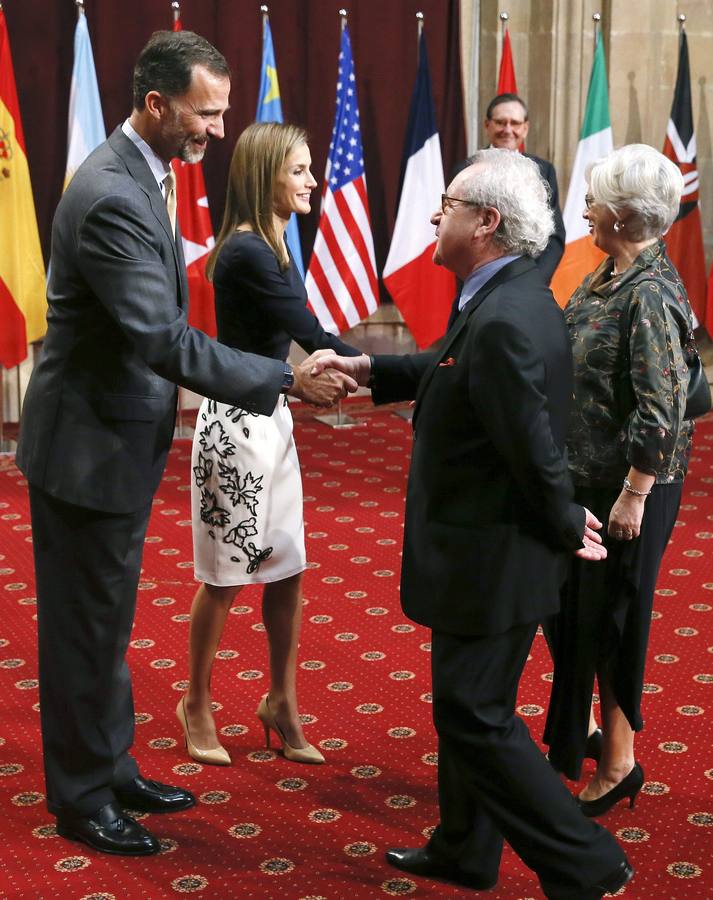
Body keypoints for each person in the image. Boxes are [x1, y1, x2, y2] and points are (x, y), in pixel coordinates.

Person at [15, 31, 354, 858]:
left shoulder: (143, 174)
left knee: (108, 619)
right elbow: (161, 339)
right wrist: (283, 379)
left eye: (222, 112)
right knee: (84, 628)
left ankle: (111, 765)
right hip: (86, 450)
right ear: (156, 103)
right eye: (205, 113)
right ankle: (81, 799)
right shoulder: (112, 194)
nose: (217, 129)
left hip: (113, 442)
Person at [313, 148, 633, 899]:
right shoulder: (505, 295)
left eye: (448, 205)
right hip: (483, 552)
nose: (435, 215)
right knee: (470, 706)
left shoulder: (506, 317)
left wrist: (565, 520)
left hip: (494, 557)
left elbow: (531, 445)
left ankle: (589, 861)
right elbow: (452, 368)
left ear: (486, 222)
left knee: (473, 713)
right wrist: (372, 369)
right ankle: (463, 848)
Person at [176, 122, 362, 768]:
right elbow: (311, 335)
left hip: (271, 418)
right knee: (226, 577)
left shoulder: (273, 244)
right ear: (266, 176)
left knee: (286, 568)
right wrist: (399, 374)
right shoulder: (248, 252)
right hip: (234, 428)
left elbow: (306, 339)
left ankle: (281, 702)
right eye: (299, 170)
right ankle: (195, 702)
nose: (312, 180)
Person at [543, 145, 692, 816]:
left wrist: (634, 493)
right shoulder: (606, 274)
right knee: (572, 615)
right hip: (587, 481)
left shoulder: (650, 291)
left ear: (626, 216)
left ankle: (620, 763)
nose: (585, 209)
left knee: (612, 623)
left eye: (595, 200)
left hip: (628, 491)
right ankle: (592, 735)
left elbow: (662, 408)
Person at [450, 92, 565, 301]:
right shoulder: (465, 170)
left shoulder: (544, 171)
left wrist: (533, 281)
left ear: (525, 128)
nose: (508, 129)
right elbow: (456, 231)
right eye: (501, 122)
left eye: (515, 123)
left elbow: (554, 237)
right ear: (487, 125)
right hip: (477, 284)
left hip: (528, 284)